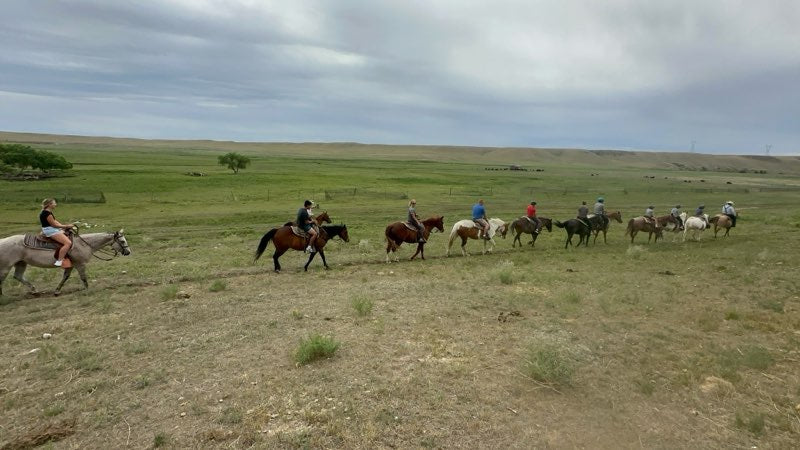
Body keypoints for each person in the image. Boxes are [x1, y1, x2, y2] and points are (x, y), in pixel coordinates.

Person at [39, 198, 74, 266]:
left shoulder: (47, 212)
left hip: (50, 229)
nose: (55, 204)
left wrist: (62, 226)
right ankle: (59, 260)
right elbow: (54, 225)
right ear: (49, 204)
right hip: (51, 230)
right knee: (68, 243)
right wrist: (66, 226)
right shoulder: (47, 213)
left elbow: (55, 221)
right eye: (54, 203)